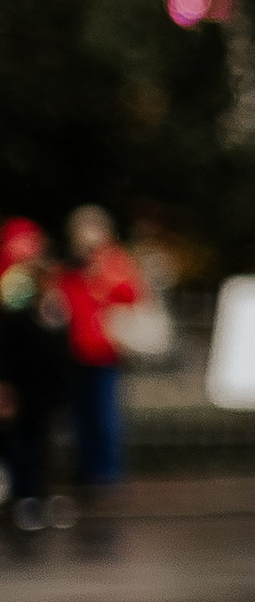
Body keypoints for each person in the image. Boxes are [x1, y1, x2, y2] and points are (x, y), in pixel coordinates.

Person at [60, 206, 147, 493]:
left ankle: (107, 473)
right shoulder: (70, 267)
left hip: (105, 350)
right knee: (81, 415)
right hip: (74, 350)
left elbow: (132, 293)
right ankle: (88, 469)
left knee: (105, 414)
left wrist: (101, 276)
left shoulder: (114, 261)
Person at [0, 222, 68, 530]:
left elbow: (56, 343)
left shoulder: (50, 304)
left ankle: (38, 494)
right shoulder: (16, 296)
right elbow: (11, 345)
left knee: (41, 443)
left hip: (42, 388)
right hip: (22, 386)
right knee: (22, 443)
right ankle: (24, 497)